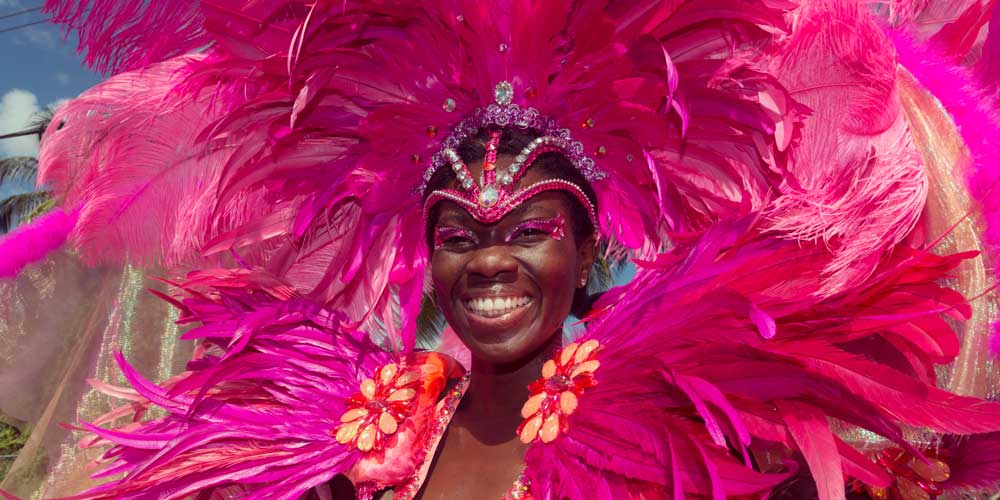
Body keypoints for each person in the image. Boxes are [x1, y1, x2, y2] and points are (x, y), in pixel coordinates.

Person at [2, 0, 1000, 499]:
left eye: (529, 231)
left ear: (581, 246)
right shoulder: (355, 427)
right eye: (459, 235)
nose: (490, 261)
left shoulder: (686, 413)